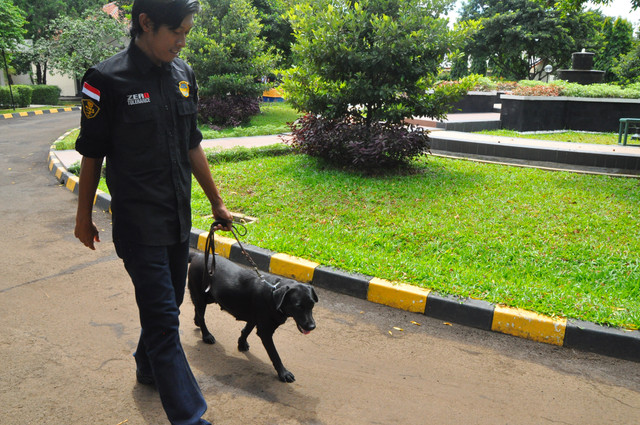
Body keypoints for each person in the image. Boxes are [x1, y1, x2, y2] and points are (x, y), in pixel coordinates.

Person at [74, 1, 233, 423]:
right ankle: (190, 416)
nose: (182, 41)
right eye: (175, 32)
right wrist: (82, 215)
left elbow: (191, 142)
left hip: (178, 218)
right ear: (146, 23)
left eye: (187, 32)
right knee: (164, 320)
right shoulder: (104, 80)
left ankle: (147, 365)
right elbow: (92, 153)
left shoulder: (183, 75)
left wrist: (216, 201)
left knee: (167, 306)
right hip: (138, 224)